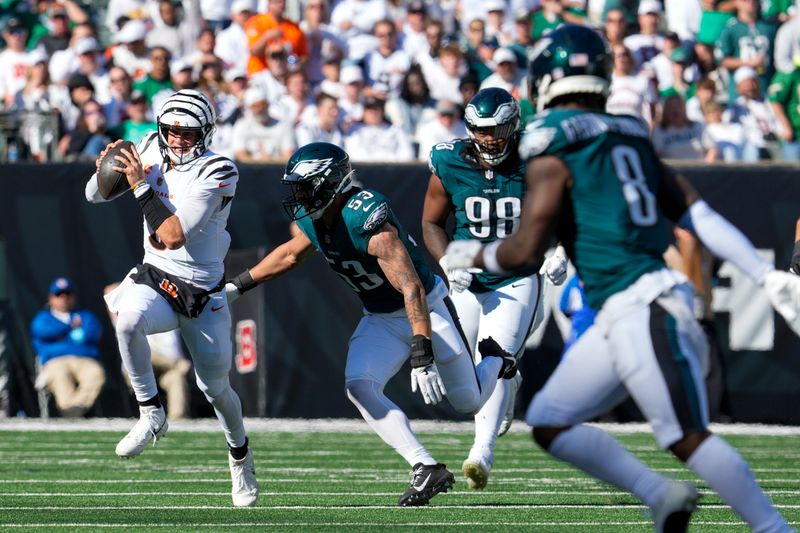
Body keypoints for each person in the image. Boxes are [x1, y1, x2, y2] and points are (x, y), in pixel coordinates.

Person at [444, 25, 797, 531]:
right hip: (621, 309)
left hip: (645, 303)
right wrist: (762, 273)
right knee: (549, 419)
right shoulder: (629, 131)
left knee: (685, 436)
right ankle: (660, 493)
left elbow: (524, 248)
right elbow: (696, 213)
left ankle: (774, 528)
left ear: (545, 79)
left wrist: (471, 250)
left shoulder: (552, 140)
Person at [225, 142, 515, 507]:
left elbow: (411, 287)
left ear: (329, 183)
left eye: (304, 186)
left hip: (428, 308)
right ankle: (426, 466)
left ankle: (498, 363)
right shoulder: (315, 217)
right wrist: (236, 286)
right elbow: (290, 254)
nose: (298, 195)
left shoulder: (366, 218)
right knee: (360, 386)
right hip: (379, 316)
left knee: (467, 401)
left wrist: (421, 350)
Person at [85, 89, 259, 508]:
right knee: (126, 321)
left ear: (206, 132)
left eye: (188, 132)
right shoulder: (146, 146)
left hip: (203, 292)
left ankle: (240, 457)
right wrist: (105, 169)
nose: (178, 139)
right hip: (158, 277)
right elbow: (93, 195)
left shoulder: (219, 169)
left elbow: (174, 234)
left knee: (216, 389)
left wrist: (140, 185)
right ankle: (150, 412)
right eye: (171, 131)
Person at [421, 87, 568, 490]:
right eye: (480, 129)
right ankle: (510, 379)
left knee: (496, 355)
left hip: (518, 273)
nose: (488, 137)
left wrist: (559, 250)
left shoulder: (536, 158)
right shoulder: (449, 159)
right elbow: (432, 222)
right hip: (469, 274)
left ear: (513, 125)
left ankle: (480, 452)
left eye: (496, 128)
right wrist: (449, 261)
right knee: (465, 380)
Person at [104, 282, 192, 420]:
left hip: (168, 370)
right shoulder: (130, 315)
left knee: (176, 379)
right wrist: (135, 287)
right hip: (138, 368)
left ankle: (178, 420)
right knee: (145, 353)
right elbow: (109, 290)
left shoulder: (172, 313)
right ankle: (180, 365)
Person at [30, 277, 105, 418]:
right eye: (59, 294)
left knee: (95, 373)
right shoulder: (43, 317)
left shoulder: (85, 316)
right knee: (60, 374)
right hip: (55, 361)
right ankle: (71, 410)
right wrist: (69, 327)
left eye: (68, 294)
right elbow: (42, 331)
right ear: (51, 298)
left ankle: (74, 410)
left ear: (74, 296)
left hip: (85, 360)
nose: (64, 298)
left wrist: (62, 334)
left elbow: (93, 334)